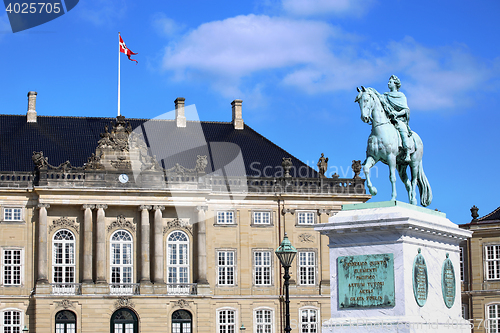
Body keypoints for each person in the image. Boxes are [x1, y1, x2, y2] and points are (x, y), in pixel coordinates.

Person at [377, 75, 412, 162]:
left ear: (395, 84)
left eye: (390, 82)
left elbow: (406, 110)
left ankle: (407, 151)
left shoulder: (401, 95)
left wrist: (397, 113)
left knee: (402, 129)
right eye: (388, 82)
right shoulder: (385, 95)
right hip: (387, 120)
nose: (388, 83)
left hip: (398, 120)